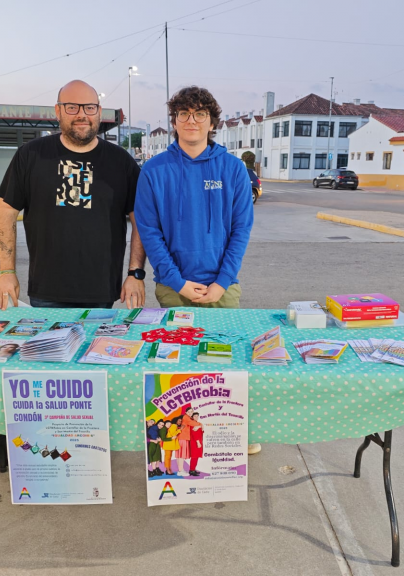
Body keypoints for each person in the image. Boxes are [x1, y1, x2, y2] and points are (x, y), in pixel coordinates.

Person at [134, 86, 260, 455]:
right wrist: (177, 282)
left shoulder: (233, 169)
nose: (192, 120)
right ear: (174, 121)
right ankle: (177, 438)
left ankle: (231, 431)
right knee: (179, 369)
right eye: (184, 114)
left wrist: (222, 282)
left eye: (200, 114)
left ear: (212, 122)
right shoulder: (154, 171)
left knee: (225, 365)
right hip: (174, 288)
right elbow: (150, 231)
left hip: (223, 288)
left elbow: (241, 230)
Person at [0, 80, 146, 310]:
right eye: (72, 107)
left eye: (89, 107)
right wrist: (6, 272)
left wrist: (135, 273)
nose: (82, 115)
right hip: (46, 291)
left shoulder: (121, 162)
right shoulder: (31, 155)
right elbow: (6, 212)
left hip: (101, 291)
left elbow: (141, 220)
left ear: (99, 111)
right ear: (58, 111)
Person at [177, 408, 201, 477]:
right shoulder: (186, 417)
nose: (190, 413)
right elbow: (193, 423)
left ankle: (180, 470)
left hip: (183, 437)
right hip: (183, 438)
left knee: (180, 455)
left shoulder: (188, 418)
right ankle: (180, 471)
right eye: (189, 412)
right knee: (181, 455)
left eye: (191, 412)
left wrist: (199, 425)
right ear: (186, 412)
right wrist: (200, 425)